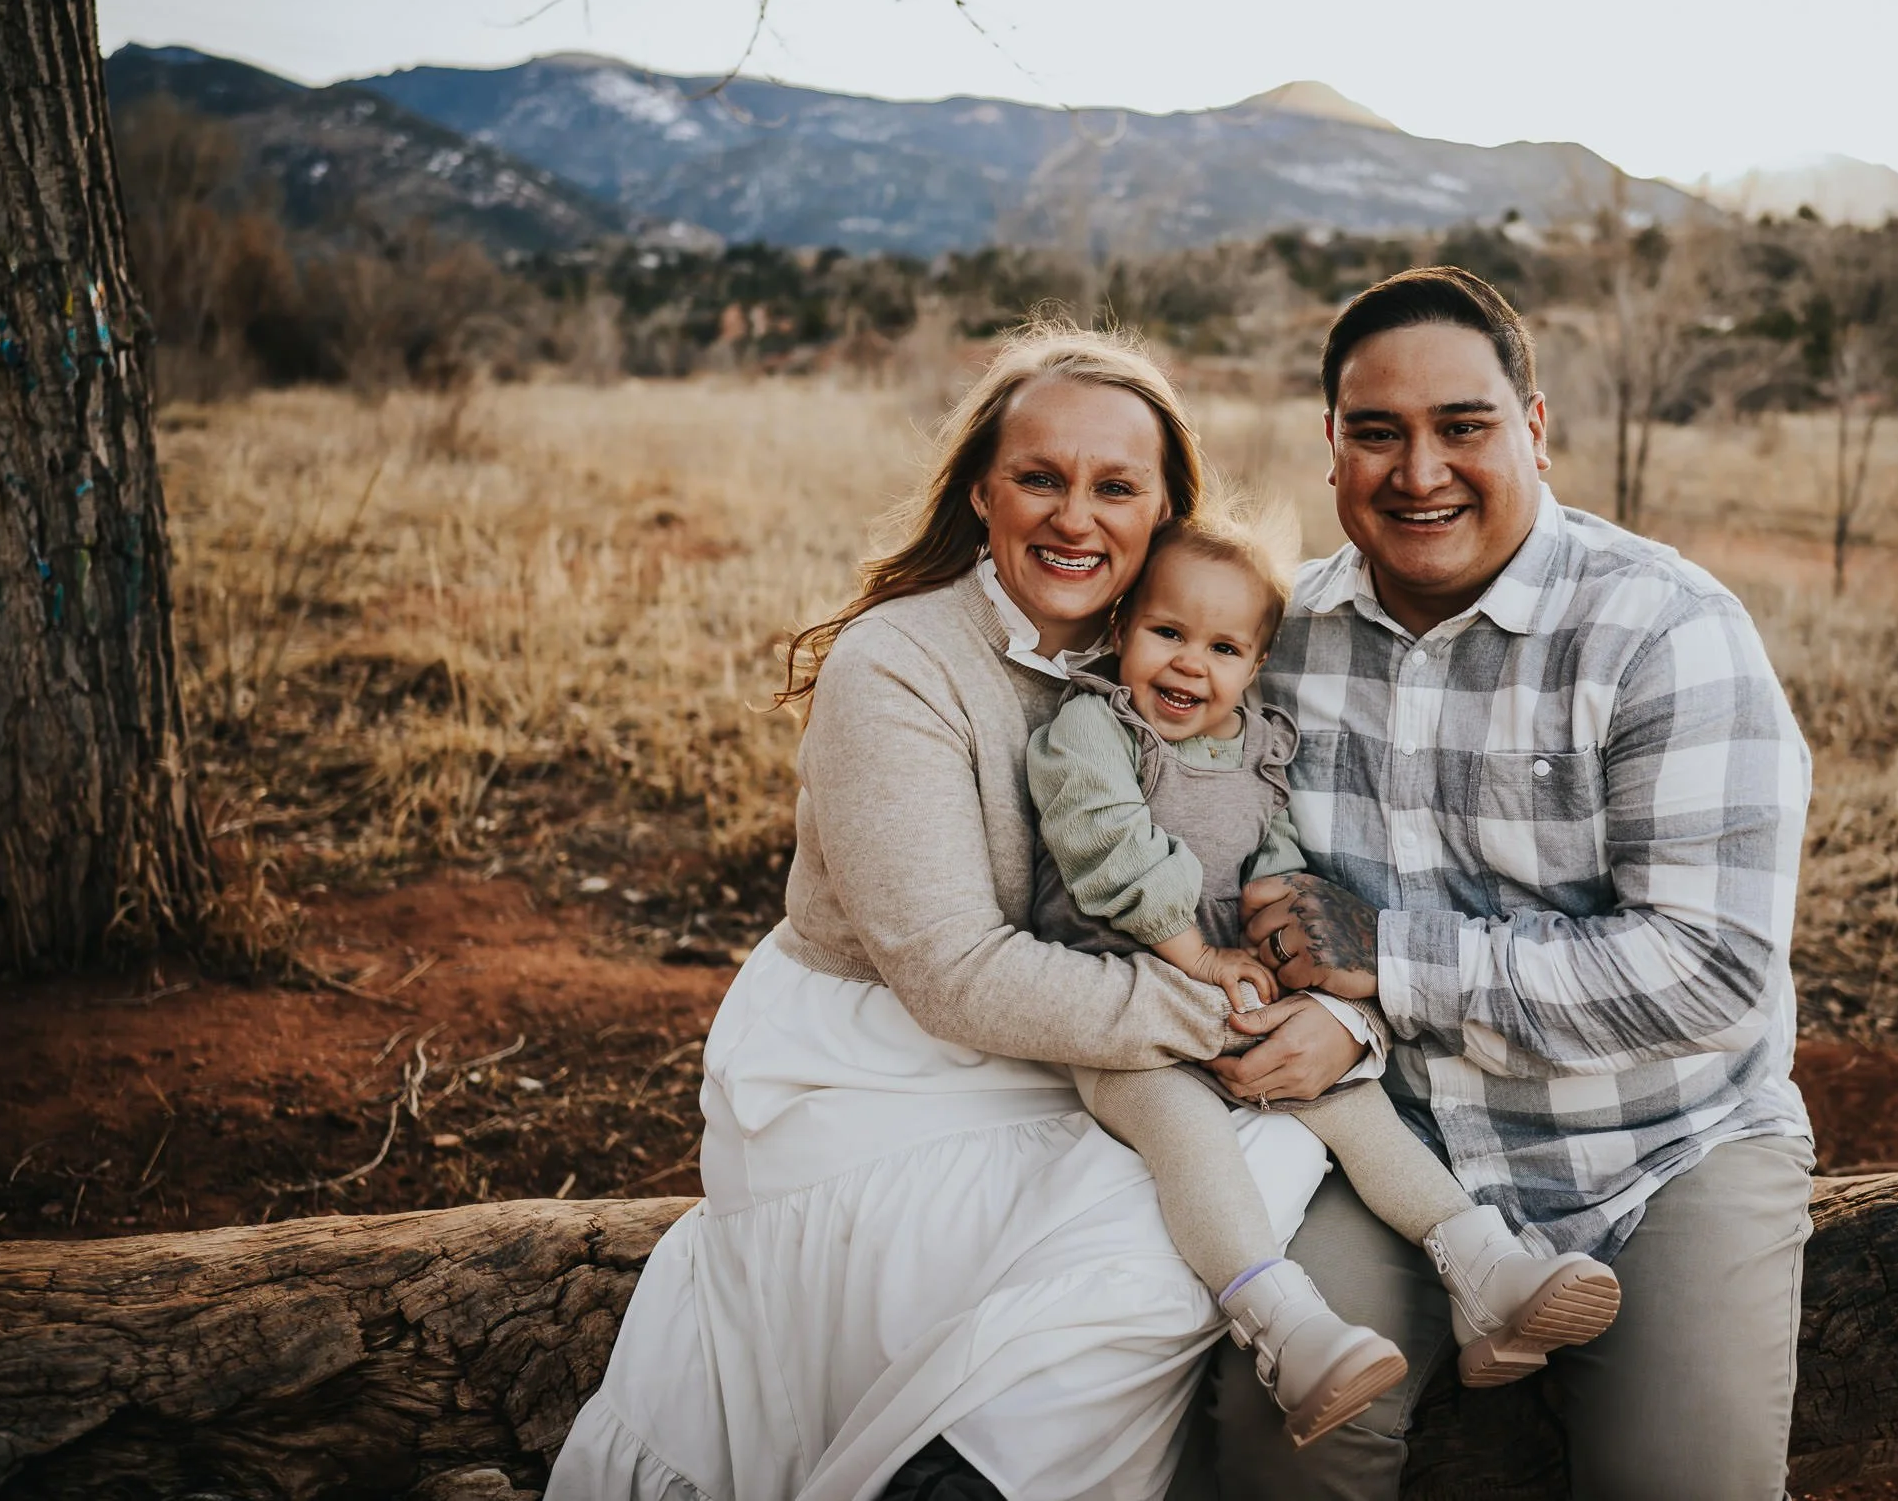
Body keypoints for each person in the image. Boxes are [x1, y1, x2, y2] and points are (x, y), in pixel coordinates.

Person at [547, 323, 1379, 1501]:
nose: (1073, 517)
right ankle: (955, 1477)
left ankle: (975, 1465)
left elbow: (1272, 859)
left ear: (1165, 513)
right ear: (983, 491)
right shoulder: (898, 664)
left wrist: (1338, 1011)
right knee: (1163, 1209)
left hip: (1072, 1043)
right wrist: (1227, 1008)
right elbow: (953, 973)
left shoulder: (1189, 653)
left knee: (1250, 1159)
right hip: (874, 1063)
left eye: (1115, 486)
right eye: (1039, 478)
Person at [1208, 268, 1817, 1501]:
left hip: (1659, 1146)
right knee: (1283, 1444)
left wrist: (1387, 955)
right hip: (1400, 1148)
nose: (1417, 470)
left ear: (1533, 429)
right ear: (1331, 447)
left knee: (1680, 1483)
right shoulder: (1282, 643)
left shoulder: (1667, 632)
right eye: (1376, 432)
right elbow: (1247, 893)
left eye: (1462, 427)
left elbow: (1712, 972)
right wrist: (1322, 1002)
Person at [1025, 506, 1620, 1451]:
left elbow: (1278, 863)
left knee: (1350, 1096)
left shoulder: (1257, 745)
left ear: (1255, 665)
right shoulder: (1092, 730)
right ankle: (1286, 1328)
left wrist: (1289, 962)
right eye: (1167, 632)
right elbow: (1112, 849)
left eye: (1222, 647)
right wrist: (1205, 960)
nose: (1189, 665)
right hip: (1121, 1000)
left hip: (1234, 987)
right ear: (1120, 628)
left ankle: (1484, 1270)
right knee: (1187, 1136)